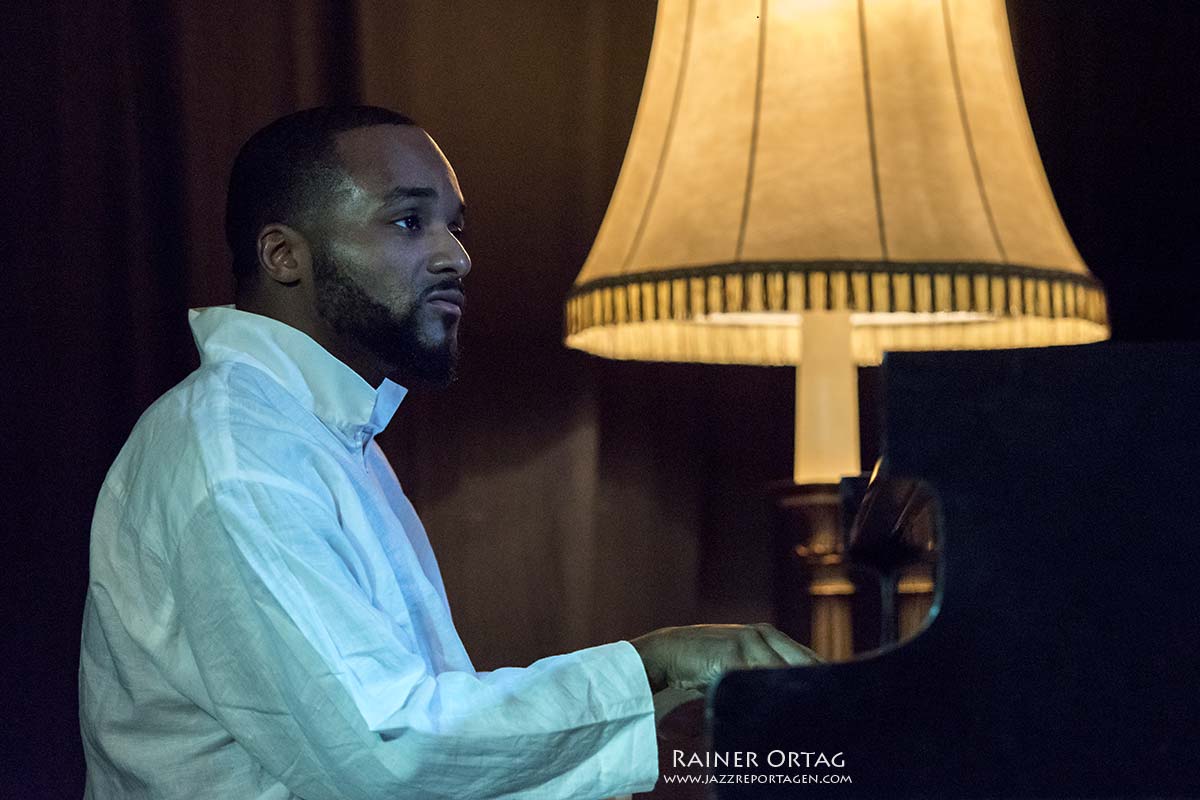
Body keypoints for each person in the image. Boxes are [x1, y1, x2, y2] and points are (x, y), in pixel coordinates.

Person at [79, 105, 817, 800]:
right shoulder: (240, 455)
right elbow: (386, 750)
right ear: (283, 255)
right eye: (409, 222)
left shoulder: (324, 437)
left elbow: (424, 749)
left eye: (455, 228)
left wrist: (675, 715)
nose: (456, 257)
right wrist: (649, 665)